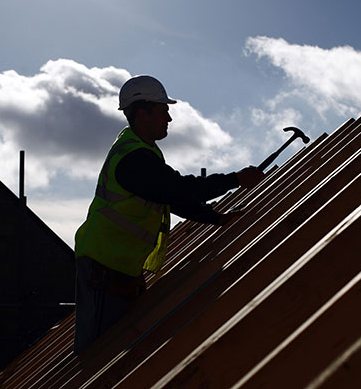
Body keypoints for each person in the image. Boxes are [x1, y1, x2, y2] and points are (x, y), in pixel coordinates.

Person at [73, 75, 264, 355]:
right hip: (104, 268)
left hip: (118, 267)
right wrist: (235, 179)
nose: (170, 119)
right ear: (142, 113)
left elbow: (170, 198)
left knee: (115, 348)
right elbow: (178, 190)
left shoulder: (143, 151)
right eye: (164, 111)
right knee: (97, 353)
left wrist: (216, 218)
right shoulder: (134, 158)